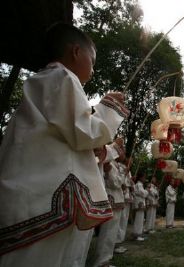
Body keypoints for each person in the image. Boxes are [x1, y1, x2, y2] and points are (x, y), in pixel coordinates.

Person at [0, 23, 128, 265]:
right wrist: (109, 109)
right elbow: (85, 132)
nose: (93, 68)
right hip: (40, 200)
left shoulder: (46, 81)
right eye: (92, 60)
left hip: (34, 196)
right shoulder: (61, 77)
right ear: (76, 52)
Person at [92, 141, 127, 267]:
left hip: (116, 200)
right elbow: (116, 183)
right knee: (108, 232)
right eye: (121, 148)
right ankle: (101, 261)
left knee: (111, 232)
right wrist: (124, 174)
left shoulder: (115, 164)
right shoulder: (109, 163)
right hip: (111, 199)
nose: (123, 151)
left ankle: (105, 259)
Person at [132, 172, 148, 241]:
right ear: (141, 178)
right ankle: (137, 234)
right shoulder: (139, 185)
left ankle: (139, 233)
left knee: (140, 218)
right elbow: (143, 194)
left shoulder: (139, 184)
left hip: (140, 202)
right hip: (139, 203)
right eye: (144, 177)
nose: (145, 179)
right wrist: (147, 190)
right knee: (139, 219)